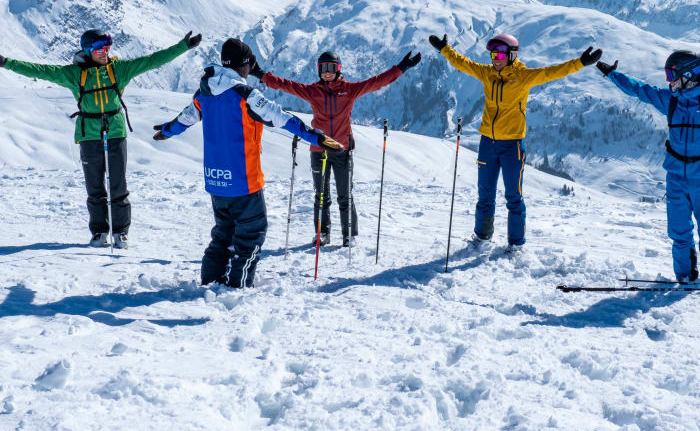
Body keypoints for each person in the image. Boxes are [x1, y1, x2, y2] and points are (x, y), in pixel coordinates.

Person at [152, 38, 342, 288]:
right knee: (251, 235)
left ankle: (210, 283)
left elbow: (185, 119)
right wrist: (316, 136)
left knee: (223, 234)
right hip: (244, 181)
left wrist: (166, 131)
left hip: (216, 181)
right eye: (250, 64)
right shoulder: (246, 95)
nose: (251, 69)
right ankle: (237, 288)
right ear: (244, 65)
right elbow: (281, 118)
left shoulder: (204, 93)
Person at [0, 29, 201, 248]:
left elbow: (151, 61)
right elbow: (39, 70)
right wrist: (6, 62)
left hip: (115, 130)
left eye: (107, 48)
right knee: (94, 186)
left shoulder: (119, 70)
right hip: (88, 133)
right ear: (88, 50)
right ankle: (99, 231)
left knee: (118, 184)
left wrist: (183, 46)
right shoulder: (73, 74)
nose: (105, 53)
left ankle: (121, 232)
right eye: (99, 49)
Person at [428, 32, 601, 252]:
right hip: (487, 143)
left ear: (512, 54)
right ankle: (482, 238)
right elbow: (464, 63)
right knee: (485, 195)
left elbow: (551, 72)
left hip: (512, 146)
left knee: (514, 197)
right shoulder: (487, 73)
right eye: (493, 53)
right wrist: (445, 49)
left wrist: (580, 63)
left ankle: (516, 245)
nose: (495, 58)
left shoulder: (523, 76)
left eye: (500, 54)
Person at [250, 49, 421, 246]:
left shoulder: (349, 90)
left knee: (344, 195)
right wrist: (260, 74)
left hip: (342, 150)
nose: (327, 72)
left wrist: (401, 68)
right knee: (321, 196)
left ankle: (350, 235)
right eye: (323, 68)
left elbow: (377, 82)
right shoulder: (312, 92)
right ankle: (323, 233)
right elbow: (286, 86)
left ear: (338, 69)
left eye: (331, 68)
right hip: (319, 150)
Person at [596, 51, 700, 283]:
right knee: (679, 233)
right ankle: (685, 278)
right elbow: (640, 90)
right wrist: (613, 75)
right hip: (676, 178)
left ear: (689, 74)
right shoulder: (673, 101)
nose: (668, 80)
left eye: (671, 74)